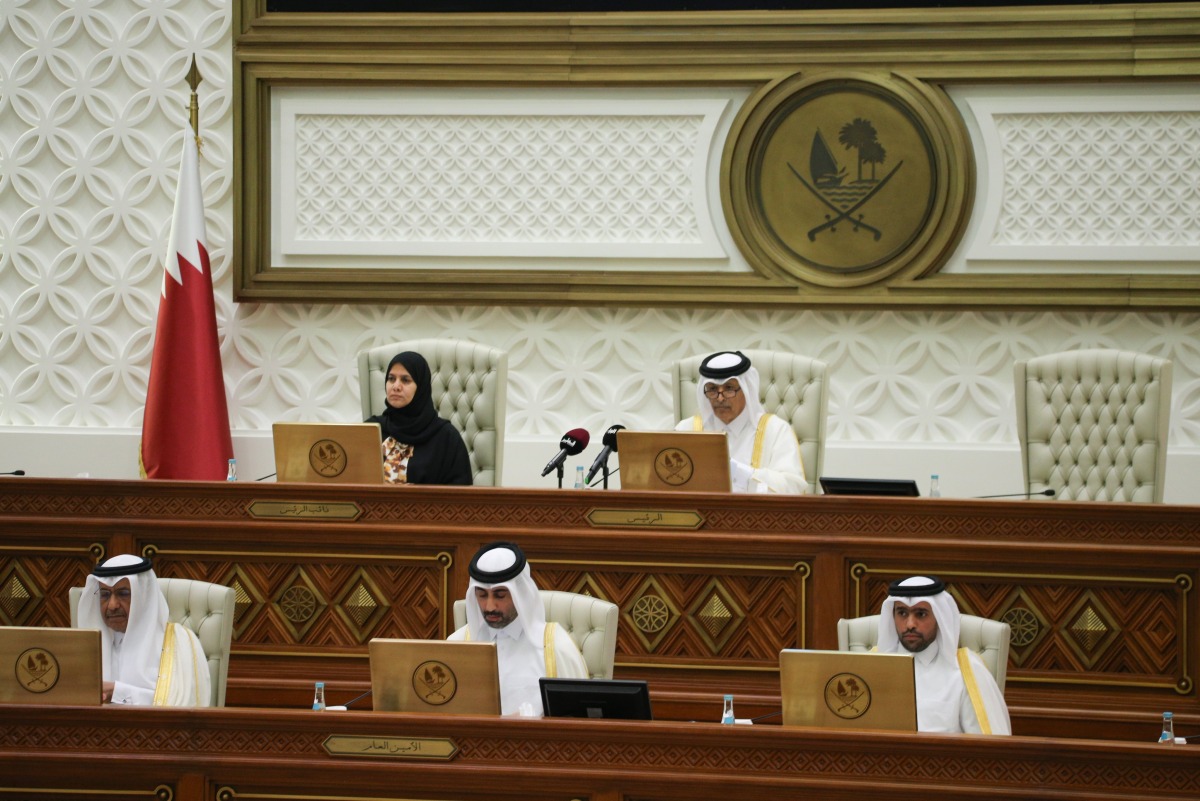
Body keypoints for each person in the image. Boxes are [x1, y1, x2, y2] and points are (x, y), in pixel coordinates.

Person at [449, 541, 588, 715]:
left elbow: (577, 720)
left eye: (500, 595)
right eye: (482, 595)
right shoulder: (457, 644)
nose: (490, 606)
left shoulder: (555, 646)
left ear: (520, 593)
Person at [877, 575, 1011, 735]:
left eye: (921, 614)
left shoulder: (967, 671)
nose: (910, 624)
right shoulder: (871, 667)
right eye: (902, 613)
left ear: (939, 618)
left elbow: (990, 748)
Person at [76, 554, 211, 706]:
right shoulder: (85, 646)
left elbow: (184, 706)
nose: (112, 605)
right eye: (105, 595)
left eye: (123, 594)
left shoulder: (180, 642)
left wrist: (118, 693)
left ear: (144, 596)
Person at [674, 350, 807, 493]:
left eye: (729, 388)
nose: (720, 398)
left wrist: (739, 472)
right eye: (712, 389)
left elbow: (794, 488)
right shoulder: (686, 430)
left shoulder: (776, 430)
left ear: (746, 389)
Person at [366, 350, 472, 486]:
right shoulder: (372, 429)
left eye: (405, 380)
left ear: (421, 388)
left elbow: (461, 496)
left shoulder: (446, 438)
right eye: (391, 379)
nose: (396, 386)